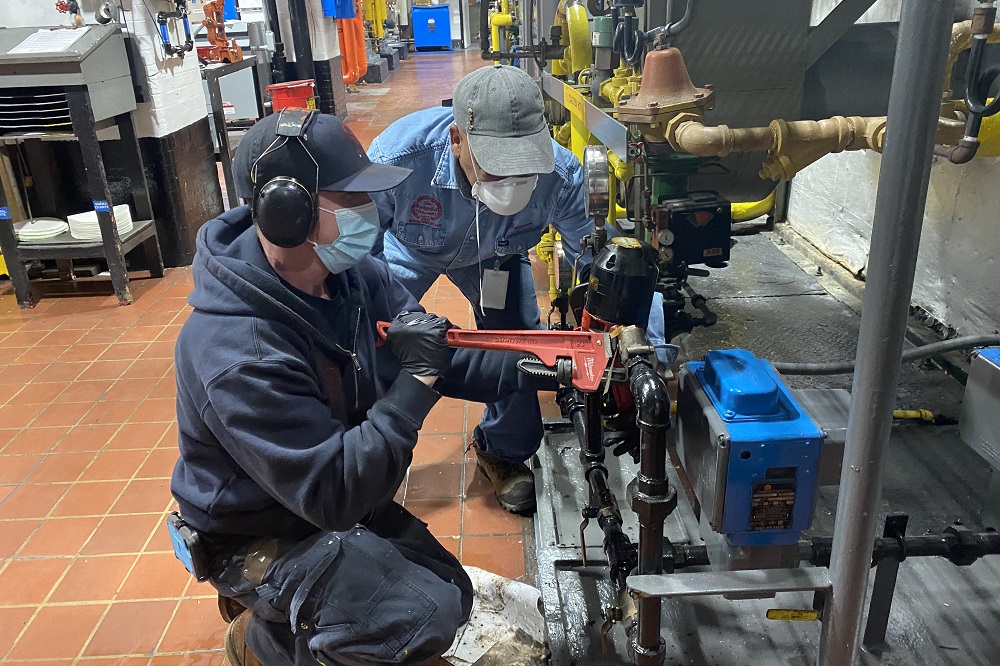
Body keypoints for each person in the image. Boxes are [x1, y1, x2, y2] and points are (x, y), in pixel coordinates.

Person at [169, 108, 555, 666]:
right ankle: (266, 643)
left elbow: (436, 353)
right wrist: (414, 388)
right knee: (418, 615)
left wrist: (540, 365)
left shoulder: (349, 276)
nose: (367, 213)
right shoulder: (236, 350)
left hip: (323, 496)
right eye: (349, 199)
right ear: (287, 213)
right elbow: (334, 493)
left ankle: (273, 634)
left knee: (450, 590)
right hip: (259, 529)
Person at [367, 64, 666, 515]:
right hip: (413, 252)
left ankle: (501, 449)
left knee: (521, 345)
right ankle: (364, 459)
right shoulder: (399, 157)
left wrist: (647, 350)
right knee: (378, 337)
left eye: (524, 169)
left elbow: (607, 267)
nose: (512, 183)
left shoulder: (562, 177)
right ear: (456, 140)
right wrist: (386, 313)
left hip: (497, 258)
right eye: (497, 169)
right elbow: (355, 257)